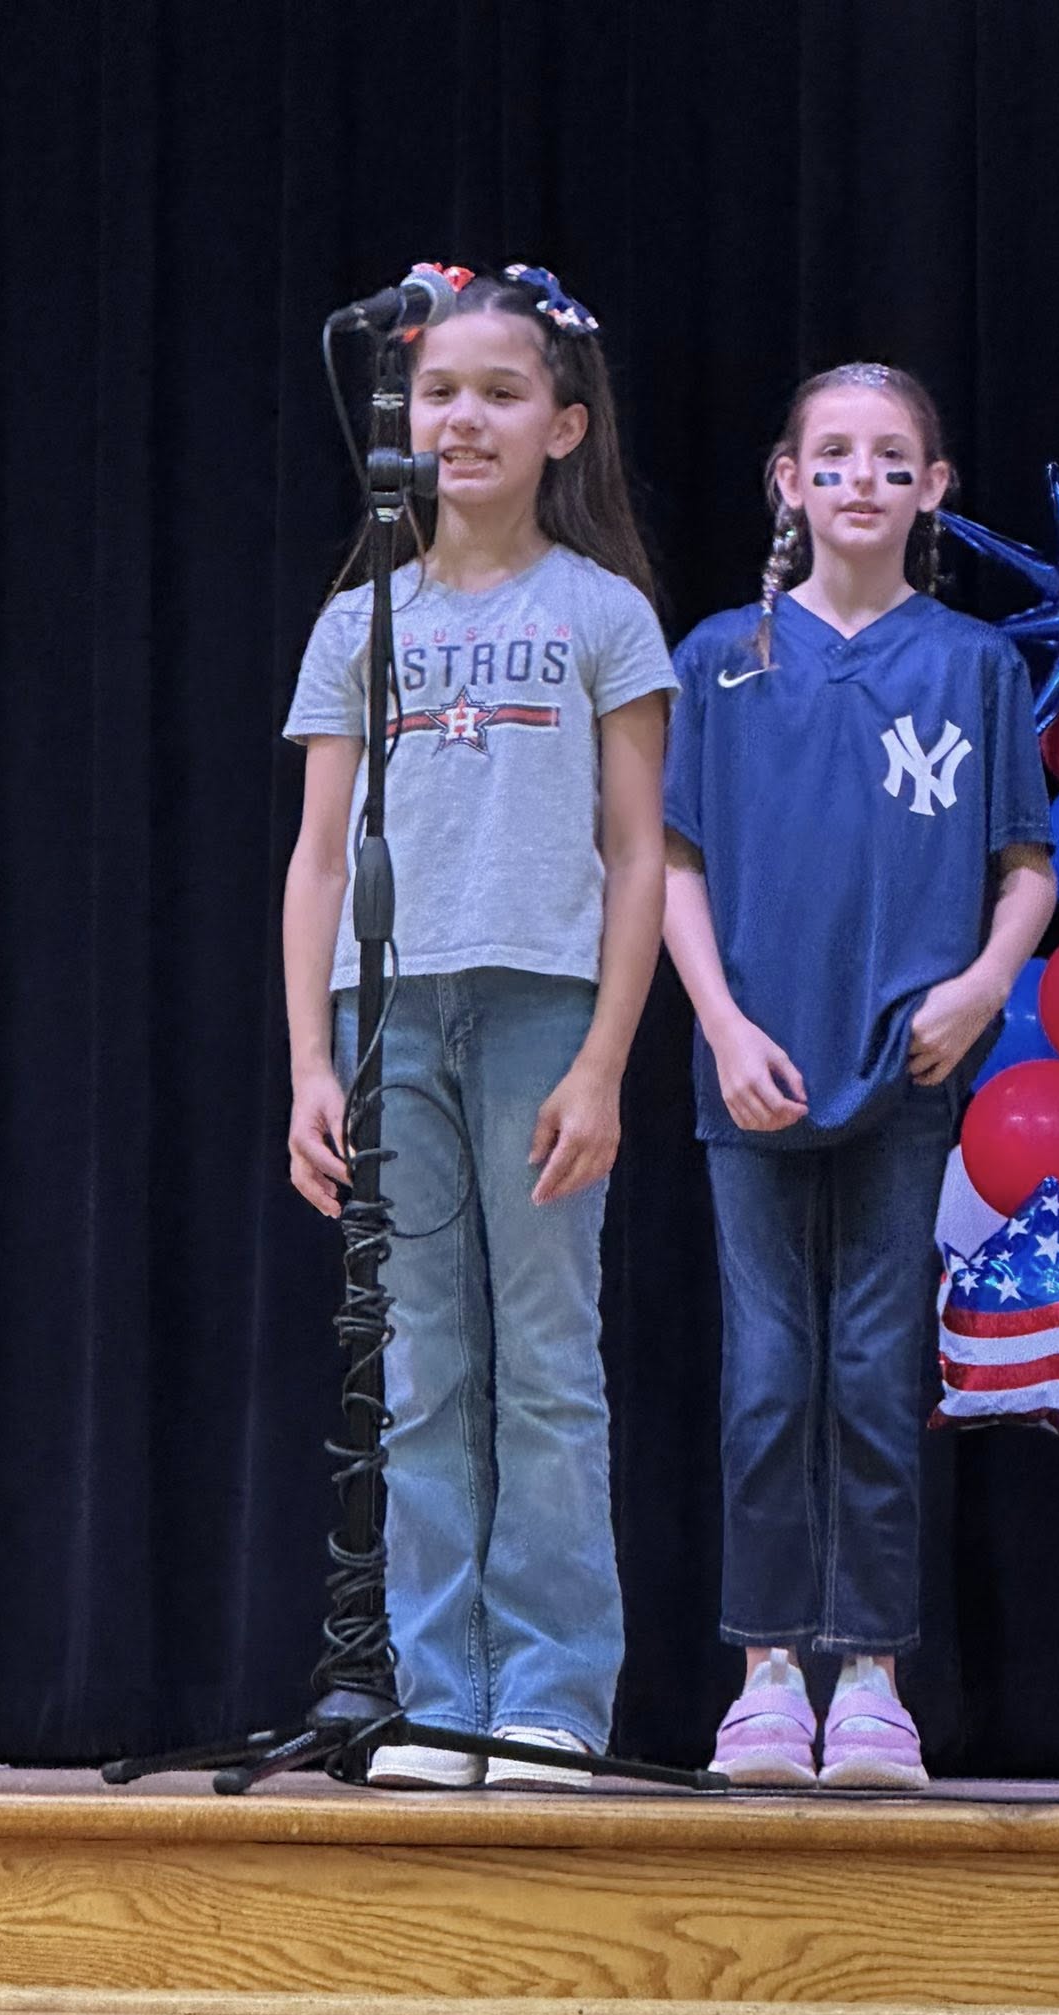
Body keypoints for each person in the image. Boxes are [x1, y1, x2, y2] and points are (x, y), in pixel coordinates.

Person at [282, 266, 674, 1788]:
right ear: (401, 415)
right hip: (391, 1011)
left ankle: (554, 1699)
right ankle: (440, 1695)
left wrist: (603, 1062)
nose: (466, 418)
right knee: (425, 1369)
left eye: (503, 393)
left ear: (563, 425)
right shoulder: (356, 621)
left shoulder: (603, 613)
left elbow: (638, 851)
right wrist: (313, 1057)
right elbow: (321, 854)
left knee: (549, 1363)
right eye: (440, 390)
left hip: (539, 1007)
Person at [662, 361, 1055, 1788]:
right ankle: (767, 1667)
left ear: (934, 489)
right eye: (833, 456)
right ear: (788, 479)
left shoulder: (974, 665)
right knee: (768, 1375)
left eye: (894, 459)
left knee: (880, 1373)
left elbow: (1026, 863)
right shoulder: (722, 658)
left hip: (907, 1069)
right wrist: (717, 1019)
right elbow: (676, 863)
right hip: (756, 1073)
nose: (862, 481)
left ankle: (874, 1676)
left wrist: (981, 985)